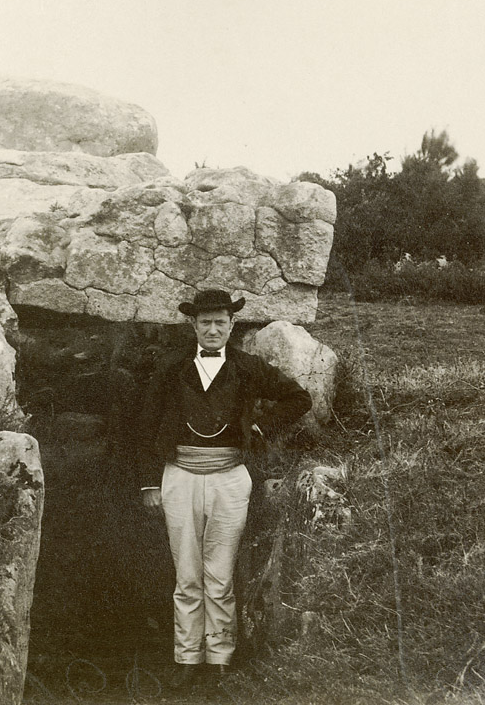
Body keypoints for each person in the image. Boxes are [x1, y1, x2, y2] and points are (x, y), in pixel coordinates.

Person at [137, 288, 312, 686]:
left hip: (230, 478)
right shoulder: (170, 367)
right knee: (187, 573)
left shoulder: (249, 367)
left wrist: (261, 428)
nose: (213, 329)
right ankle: (186, 658)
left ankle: (219, 657)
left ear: (232, 325)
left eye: (220, 322)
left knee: (220, 571)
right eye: (205, 322)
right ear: (193, 325)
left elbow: (298, 398)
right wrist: (150, 482)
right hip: (178, 475)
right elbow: (145, 424)